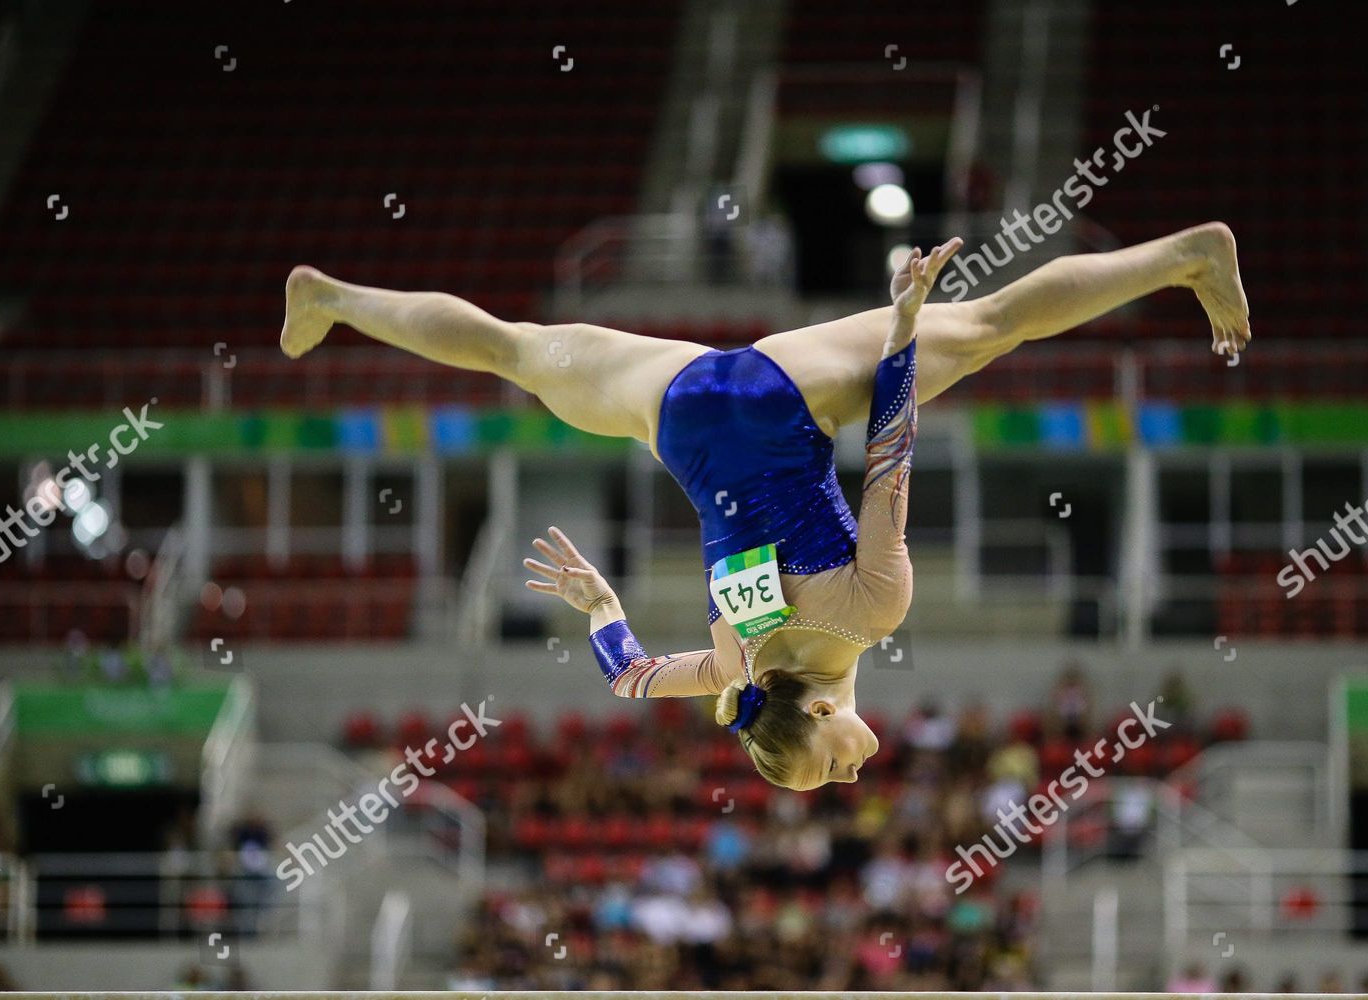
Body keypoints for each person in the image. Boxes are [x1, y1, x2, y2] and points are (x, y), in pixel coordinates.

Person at [281, 223, 1251, 789]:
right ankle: (334, 298)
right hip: (679, 412)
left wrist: (906, 326)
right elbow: (625, 679)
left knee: (992, 325)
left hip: (781, 394)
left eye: (832, 766)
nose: (855, 773)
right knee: (509, 348)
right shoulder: (731, 669)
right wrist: (600, 607)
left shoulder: (867, 615)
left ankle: (1188, 257)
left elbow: (891, 452)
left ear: (825, 705)